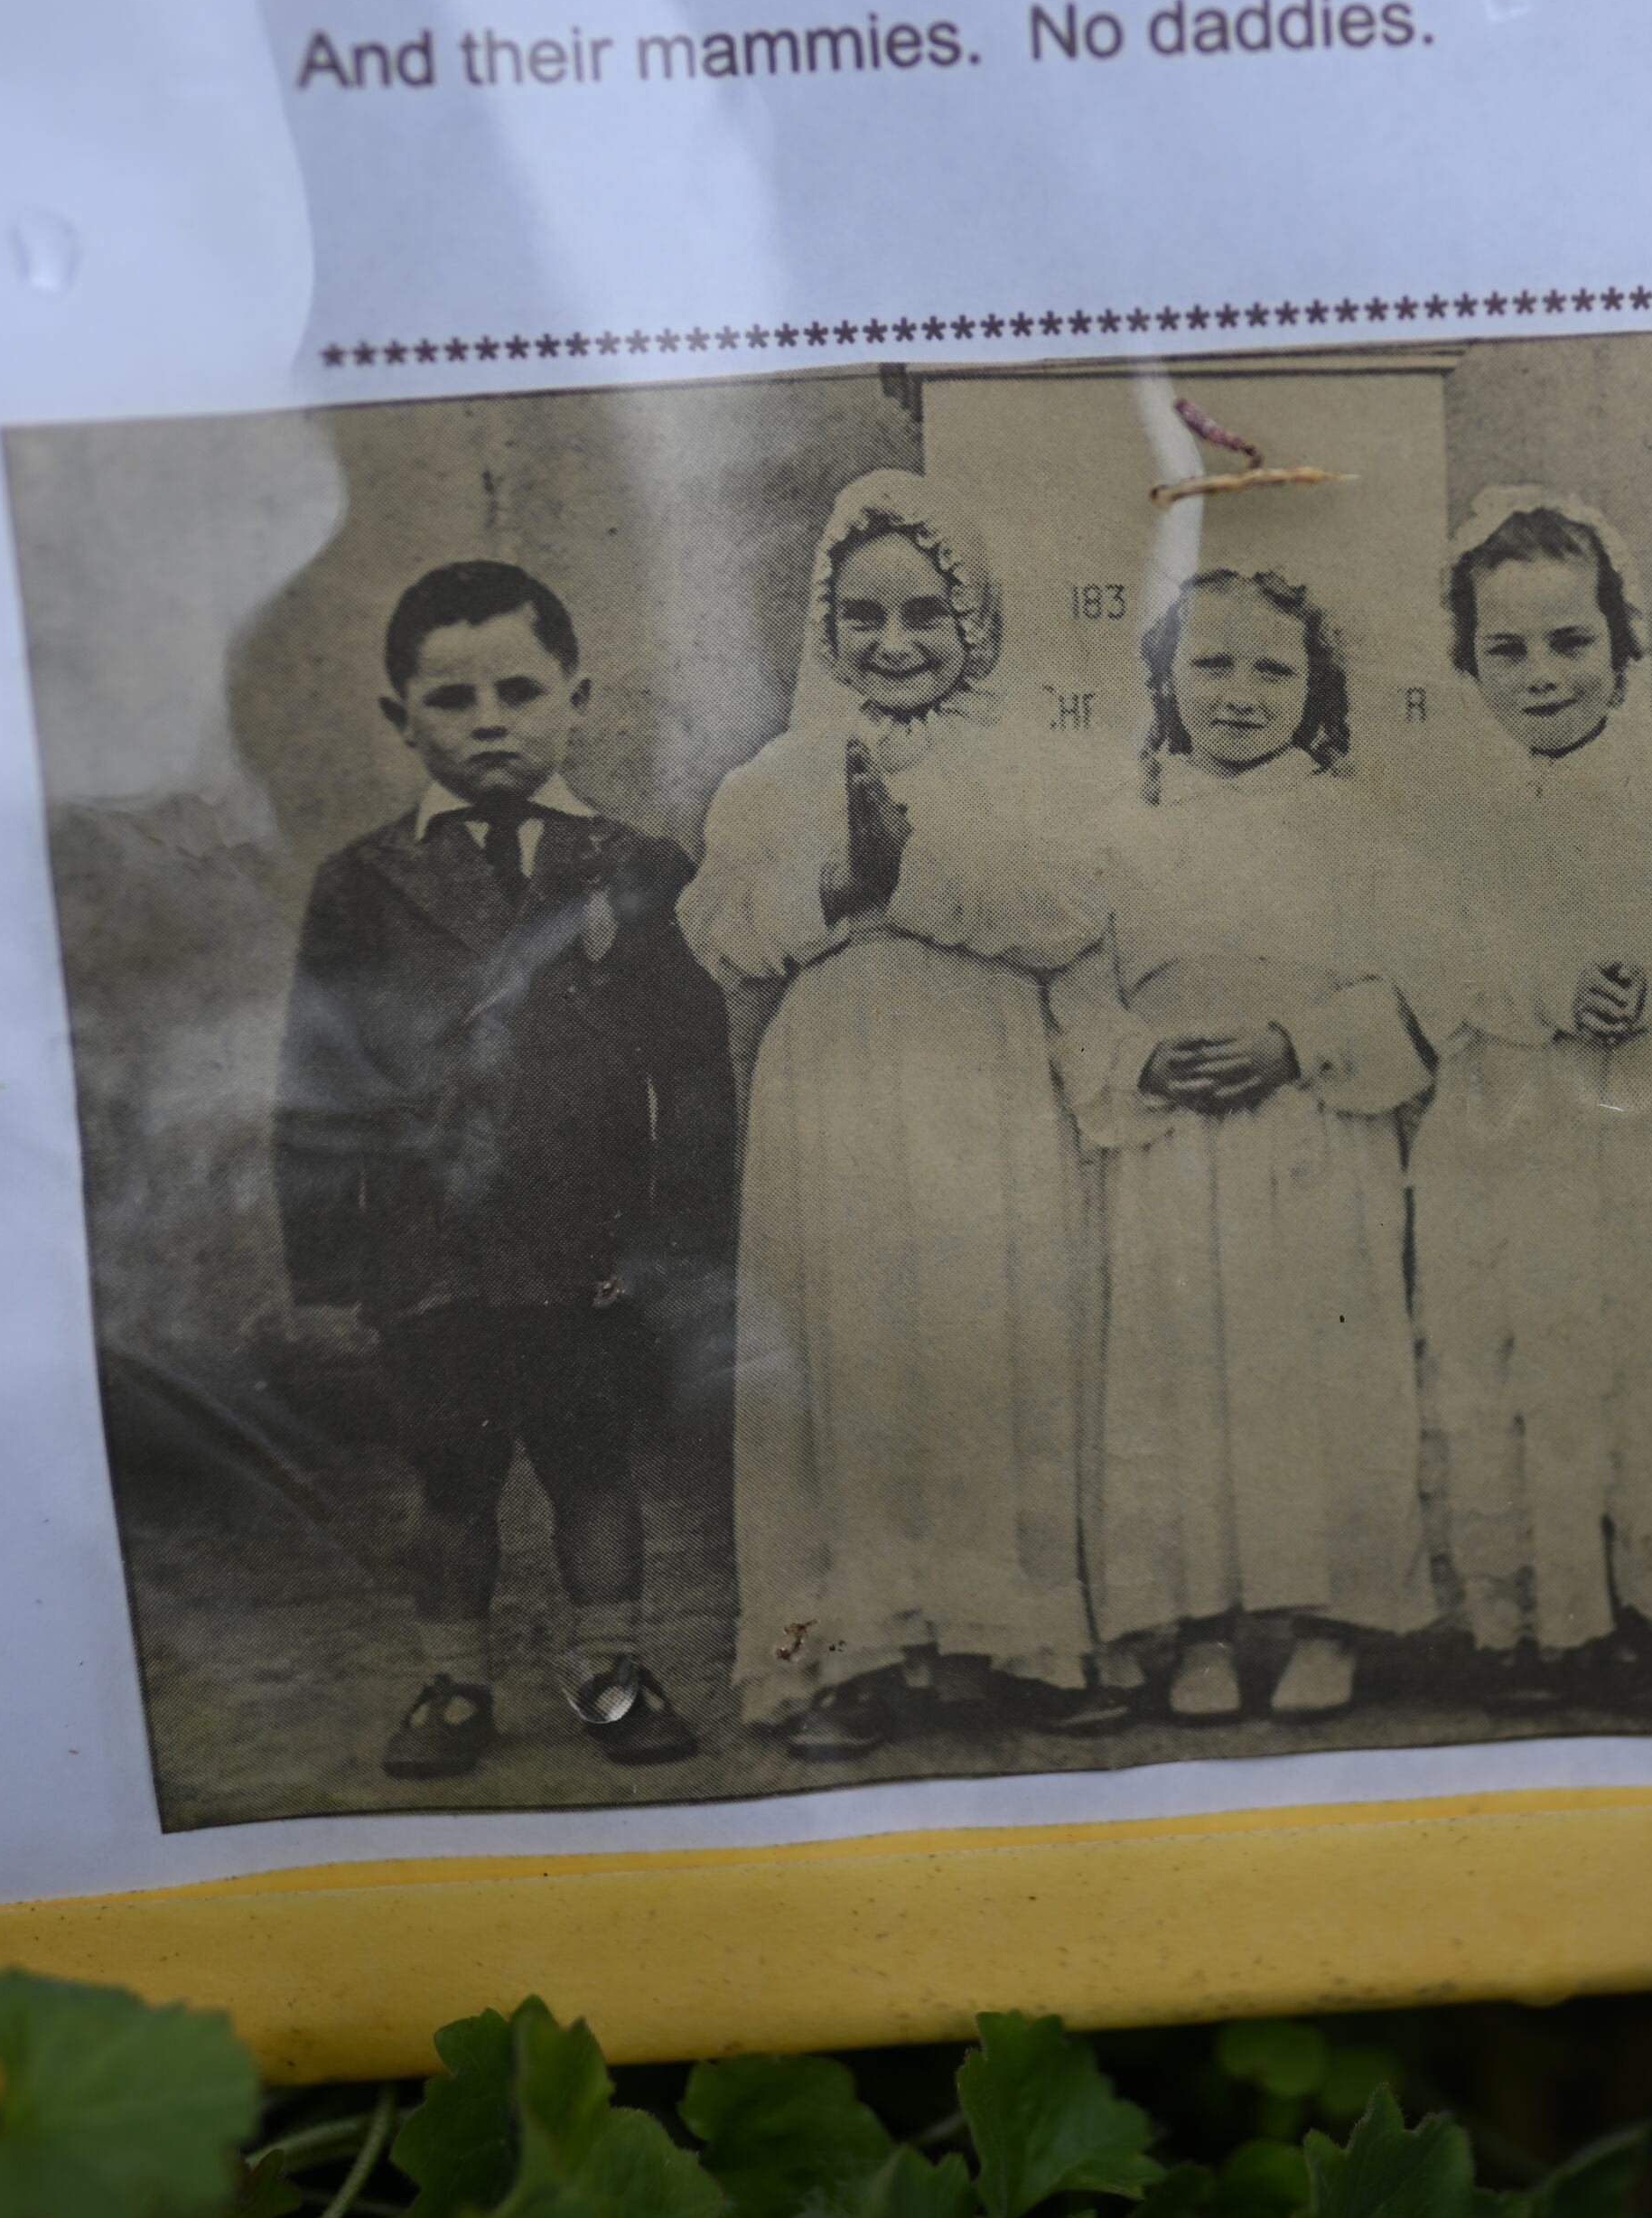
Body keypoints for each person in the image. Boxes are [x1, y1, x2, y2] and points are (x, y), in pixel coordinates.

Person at [684, 470, 1121, 1763]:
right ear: (826, 625)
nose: (894, 643)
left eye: (925, 613)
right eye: (864, 617)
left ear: (972, 620)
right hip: (835, 1092)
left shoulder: (1037, 767)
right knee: (848, 1347)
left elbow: (1067, 914)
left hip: (987, 1080)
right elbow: (722, 932)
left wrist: (912, 876)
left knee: (998, 1337)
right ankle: (847, 1651)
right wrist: (832, 888)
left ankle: (1015, 1634)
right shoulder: (771, 780)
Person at [273, 559, 735, 1780]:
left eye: (520, 691)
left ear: (577, 698)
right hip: (432, 1250)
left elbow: (692, 1071)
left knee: (594, 1468)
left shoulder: (633, 865)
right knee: (450, 1484)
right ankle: (455, 1682)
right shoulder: (364, 885)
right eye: (454, 698)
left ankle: (618, 1670)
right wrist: (325, 1275)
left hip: (591, 1245)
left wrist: (679, 1239)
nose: (490, 721)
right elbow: (316, 1087)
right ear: (401, 718)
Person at [1407, 491, 1652, 1712]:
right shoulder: (1444, 797)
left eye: (1571, 643)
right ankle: (1540, 1615)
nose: (1541, 676)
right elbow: (1429, 953)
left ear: (1623, 643)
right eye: (1505, 650)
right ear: (1468, 658)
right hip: (1509, 1120)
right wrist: (1543, 989)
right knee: (1525, 1358)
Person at [1060, 570, 1433, 1722]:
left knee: (1324, 1372)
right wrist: (1140, 1061)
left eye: (1274, 669)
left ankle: (1329, 1618)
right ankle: (1202, 1626)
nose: (1239, 694)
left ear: (1314, 689)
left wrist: (1297, 1044)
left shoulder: (1357, 828)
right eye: (1211, 664)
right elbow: (1077, 995)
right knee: (1180, 1384)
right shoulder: (1115, 833)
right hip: (1174, 1148)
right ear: (1165, 679)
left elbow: (1409, 988)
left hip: (1314, 1136)